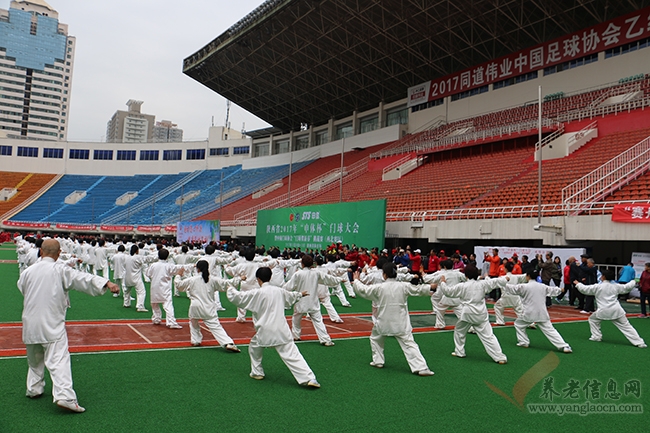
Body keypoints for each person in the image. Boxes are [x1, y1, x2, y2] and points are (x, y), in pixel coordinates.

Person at [17, 239, 119, 413]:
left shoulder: (28, 272)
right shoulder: (60, 269)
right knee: (59, 359)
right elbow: (82, 278)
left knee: (34, 360)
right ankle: (65, 396)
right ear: (58, 254)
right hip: (51, 322)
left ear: (40, 252)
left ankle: (34, 388)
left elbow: (22, 288)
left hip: (30, 322)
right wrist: (106, 283)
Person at [227, 267, 321, 388]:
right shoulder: (279, 291)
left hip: (264, 330)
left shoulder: (256, 293)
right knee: (292, 354)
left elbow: (239, 298)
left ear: (258, 279)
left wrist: (230, 288)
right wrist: (300, 294)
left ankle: (257, 372)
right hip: (281, 329)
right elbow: (290, 296)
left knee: (254, 347)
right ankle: (310, 378)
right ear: (270, 277)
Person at [352, 263, 435, 375]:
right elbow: (418, 289)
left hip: (383, 321)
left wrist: (356, 280)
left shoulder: (379, 287)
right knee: (409, 343)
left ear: (384, 275)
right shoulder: (403, 286)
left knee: (375, 338)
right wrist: (430, 287)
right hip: (400, 322)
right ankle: (421, 368)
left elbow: (364, 290)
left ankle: (378, 361)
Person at [437, 264, 508, 364]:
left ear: (466, 275)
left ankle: (460, 352)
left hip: (467, 314)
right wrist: (505, 279)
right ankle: (500, 357)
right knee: (489, 336)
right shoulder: (483, 284)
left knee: (459, 331)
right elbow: (495, 282)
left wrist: (443, 283)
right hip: (481, 314)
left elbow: (448, 292)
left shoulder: (462, 286)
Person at [175, 260, 241, 351]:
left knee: (194, 323)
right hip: (208, 307)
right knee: (215, 326)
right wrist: (239, 279)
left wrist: (178, 275)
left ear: (197, 269)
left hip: (195, 306)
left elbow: (179, 285)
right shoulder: (212, 279)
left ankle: (195, 340)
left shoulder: (192, 279)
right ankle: (227, 342)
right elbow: (226, 283)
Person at [503, 270, 572, 353]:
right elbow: (552, 290)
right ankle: (564, 346)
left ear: (527, 276)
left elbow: (511, 288)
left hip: (529, 312)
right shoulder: (542, 286)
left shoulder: (524, 287)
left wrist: (502, 282)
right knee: (550, 330)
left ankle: (524, 342)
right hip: (542, 312)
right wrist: (560, 290)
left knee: (519, 324)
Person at [574, 269, 646, 348]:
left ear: (604, 277)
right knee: (627, 326)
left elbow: (585, 289)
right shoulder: (616, 286)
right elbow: (626, 287)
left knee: (593, 319)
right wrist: (633, 281)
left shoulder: (598, 286)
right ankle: (639, 342)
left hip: (603, 310)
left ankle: (596, 337)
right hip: (616, 310)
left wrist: (578, 284)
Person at [283, 255, 341, 346]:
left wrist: (280, 291)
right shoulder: (316, 273)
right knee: (318, 321)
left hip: (301, 302)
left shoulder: (298, 274)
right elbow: (328, 279)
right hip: (313, 302)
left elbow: (289, 286)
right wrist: (339, 280)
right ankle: (326, 339)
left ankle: (296, 336)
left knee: (296, 320)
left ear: (302, 264)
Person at [145, 249, 191, 329]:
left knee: (154, 304)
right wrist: (191, 266)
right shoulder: (169, 265)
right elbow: (179, 267)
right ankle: (171, 322)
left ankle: (156, 319)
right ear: (167, 257)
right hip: (165, 287)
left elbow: (148, 273)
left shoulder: (153, 265)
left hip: (155, 286)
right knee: (168, 305)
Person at [123, 244, 157, 311]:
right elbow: (148, 259)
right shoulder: (138, 257)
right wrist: (157, 257)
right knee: (141, 292)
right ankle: (140, 306)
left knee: (127, 291)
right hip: (136, 278)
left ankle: (126, 303)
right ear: (136, 251)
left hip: (127, 277)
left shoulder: (126, 258)